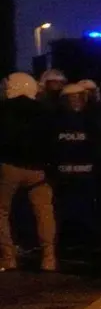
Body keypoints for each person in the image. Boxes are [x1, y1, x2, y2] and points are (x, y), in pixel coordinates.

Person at [0, 73, 57, 271]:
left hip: (9, 167)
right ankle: (49, 257)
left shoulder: (4, 110)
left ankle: (8, 258)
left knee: (1, 211)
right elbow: (52, 141)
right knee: (44, 213)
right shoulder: (44, 111)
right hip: (38, 169)